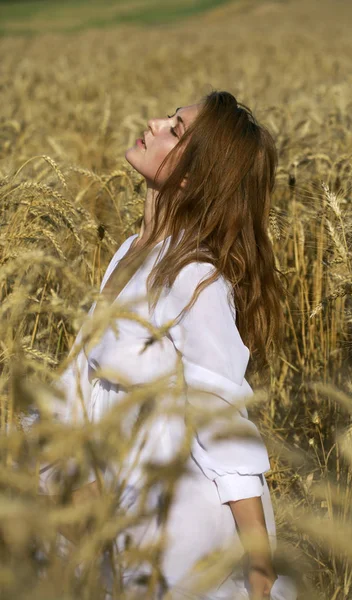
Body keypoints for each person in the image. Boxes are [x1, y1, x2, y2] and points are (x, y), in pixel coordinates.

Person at [40, 91, 297, 600]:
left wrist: (260, 574)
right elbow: (81, 370)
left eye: (176, 130)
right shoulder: (130, 250)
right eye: (170, 119)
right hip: (115, 489)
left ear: (191, 178)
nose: (154, 122)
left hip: (173, 514)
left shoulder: (193, 276)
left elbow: (225, 424)